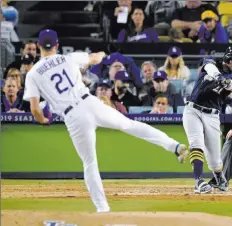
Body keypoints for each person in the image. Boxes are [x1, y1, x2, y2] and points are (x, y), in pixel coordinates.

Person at [23, 29, 189, 213]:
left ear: (38, 46)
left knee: (90, 163)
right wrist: (104, 54)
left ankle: (103, 210)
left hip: (74, 116)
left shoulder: (33, 74)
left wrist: (43, 120)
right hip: (90, 102)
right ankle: (174, 146)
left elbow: (35, 108)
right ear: (56, 45)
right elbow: (95, 57)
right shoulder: (68, 58)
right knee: (130, 125)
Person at [183, 45, 232, 194]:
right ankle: (198, 181)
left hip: (212, 115)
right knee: (196, 144)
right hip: (192, 109)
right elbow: (210, 67)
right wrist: (218, 77)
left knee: (214, 159)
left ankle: (219, 177)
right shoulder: (211, 63)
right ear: (229, 58)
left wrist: (226, 83)